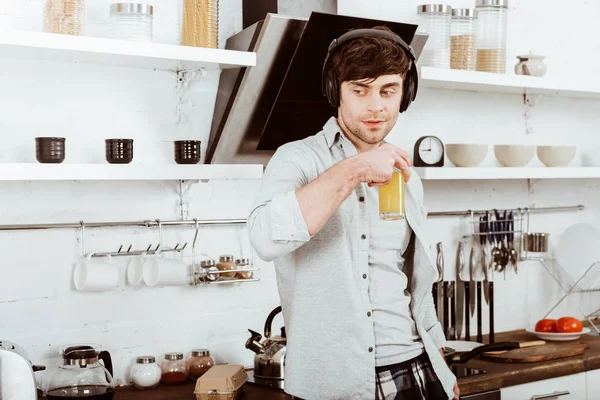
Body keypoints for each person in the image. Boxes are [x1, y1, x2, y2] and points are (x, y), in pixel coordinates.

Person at [248, 25, 459, 400]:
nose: (376, 105)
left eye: (388, 91)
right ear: (336, 92)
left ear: (404, 95)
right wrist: (357, 168)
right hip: (333, 381)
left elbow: (413, 281)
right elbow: (265, 238)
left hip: (416, 369)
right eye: (360, 90)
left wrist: (439, 361)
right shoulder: (296, 159)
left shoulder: (405, 174)